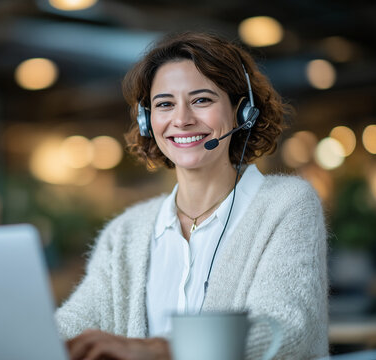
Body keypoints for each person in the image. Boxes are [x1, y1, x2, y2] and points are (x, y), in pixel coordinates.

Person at [55, 31, 328, 360]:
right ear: (147, 121)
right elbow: (76, 322)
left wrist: (161, 350)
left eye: (201, 100)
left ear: (243, 112)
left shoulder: (287, 205)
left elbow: (284, 329)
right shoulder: (125, 233)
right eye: (165, 104)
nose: (181, 120)